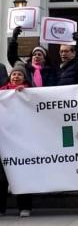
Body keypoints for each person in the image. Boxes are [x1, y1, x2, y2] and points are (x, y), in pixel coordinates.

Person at [0, 63, 32, 216]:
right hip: (3, 140)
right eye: (14, 74)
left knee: (23, 173)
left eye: (20, 74)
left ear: (24, 78)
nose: (16, 76)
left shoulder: (30, 92)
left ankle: (24, 207)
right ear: (9, 77)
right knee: (1, 176)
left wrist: (24, 94)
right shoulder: (1, 93)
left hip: (22, 140)